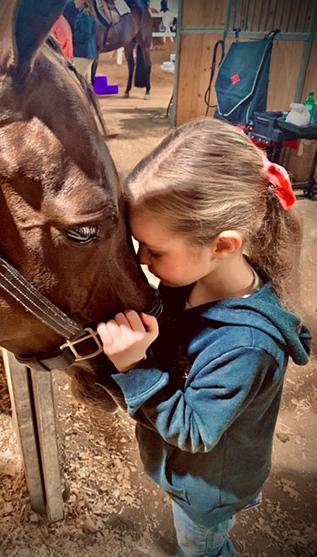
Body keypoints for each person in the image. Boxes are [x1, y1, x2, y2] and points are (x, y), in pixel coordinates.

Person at [97, 117, 311, 556]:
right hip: (191, 475)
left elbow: (195, 432)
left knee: (202, 548)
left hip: (208, 490)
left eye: (154, 251)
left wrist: (136, 368)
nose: (141, 260)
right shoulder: (189, 278)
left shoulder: (247, 348)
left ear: (224, 246)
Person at [71, 0, 97, 82]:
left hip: (82, 53)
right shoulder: (83, 13)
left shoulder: (85, 15)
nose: (74, 1)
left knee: (75, 81)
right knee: (86, 84)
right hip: (87, 52)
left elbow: (85, 34)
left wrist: (71, 39)